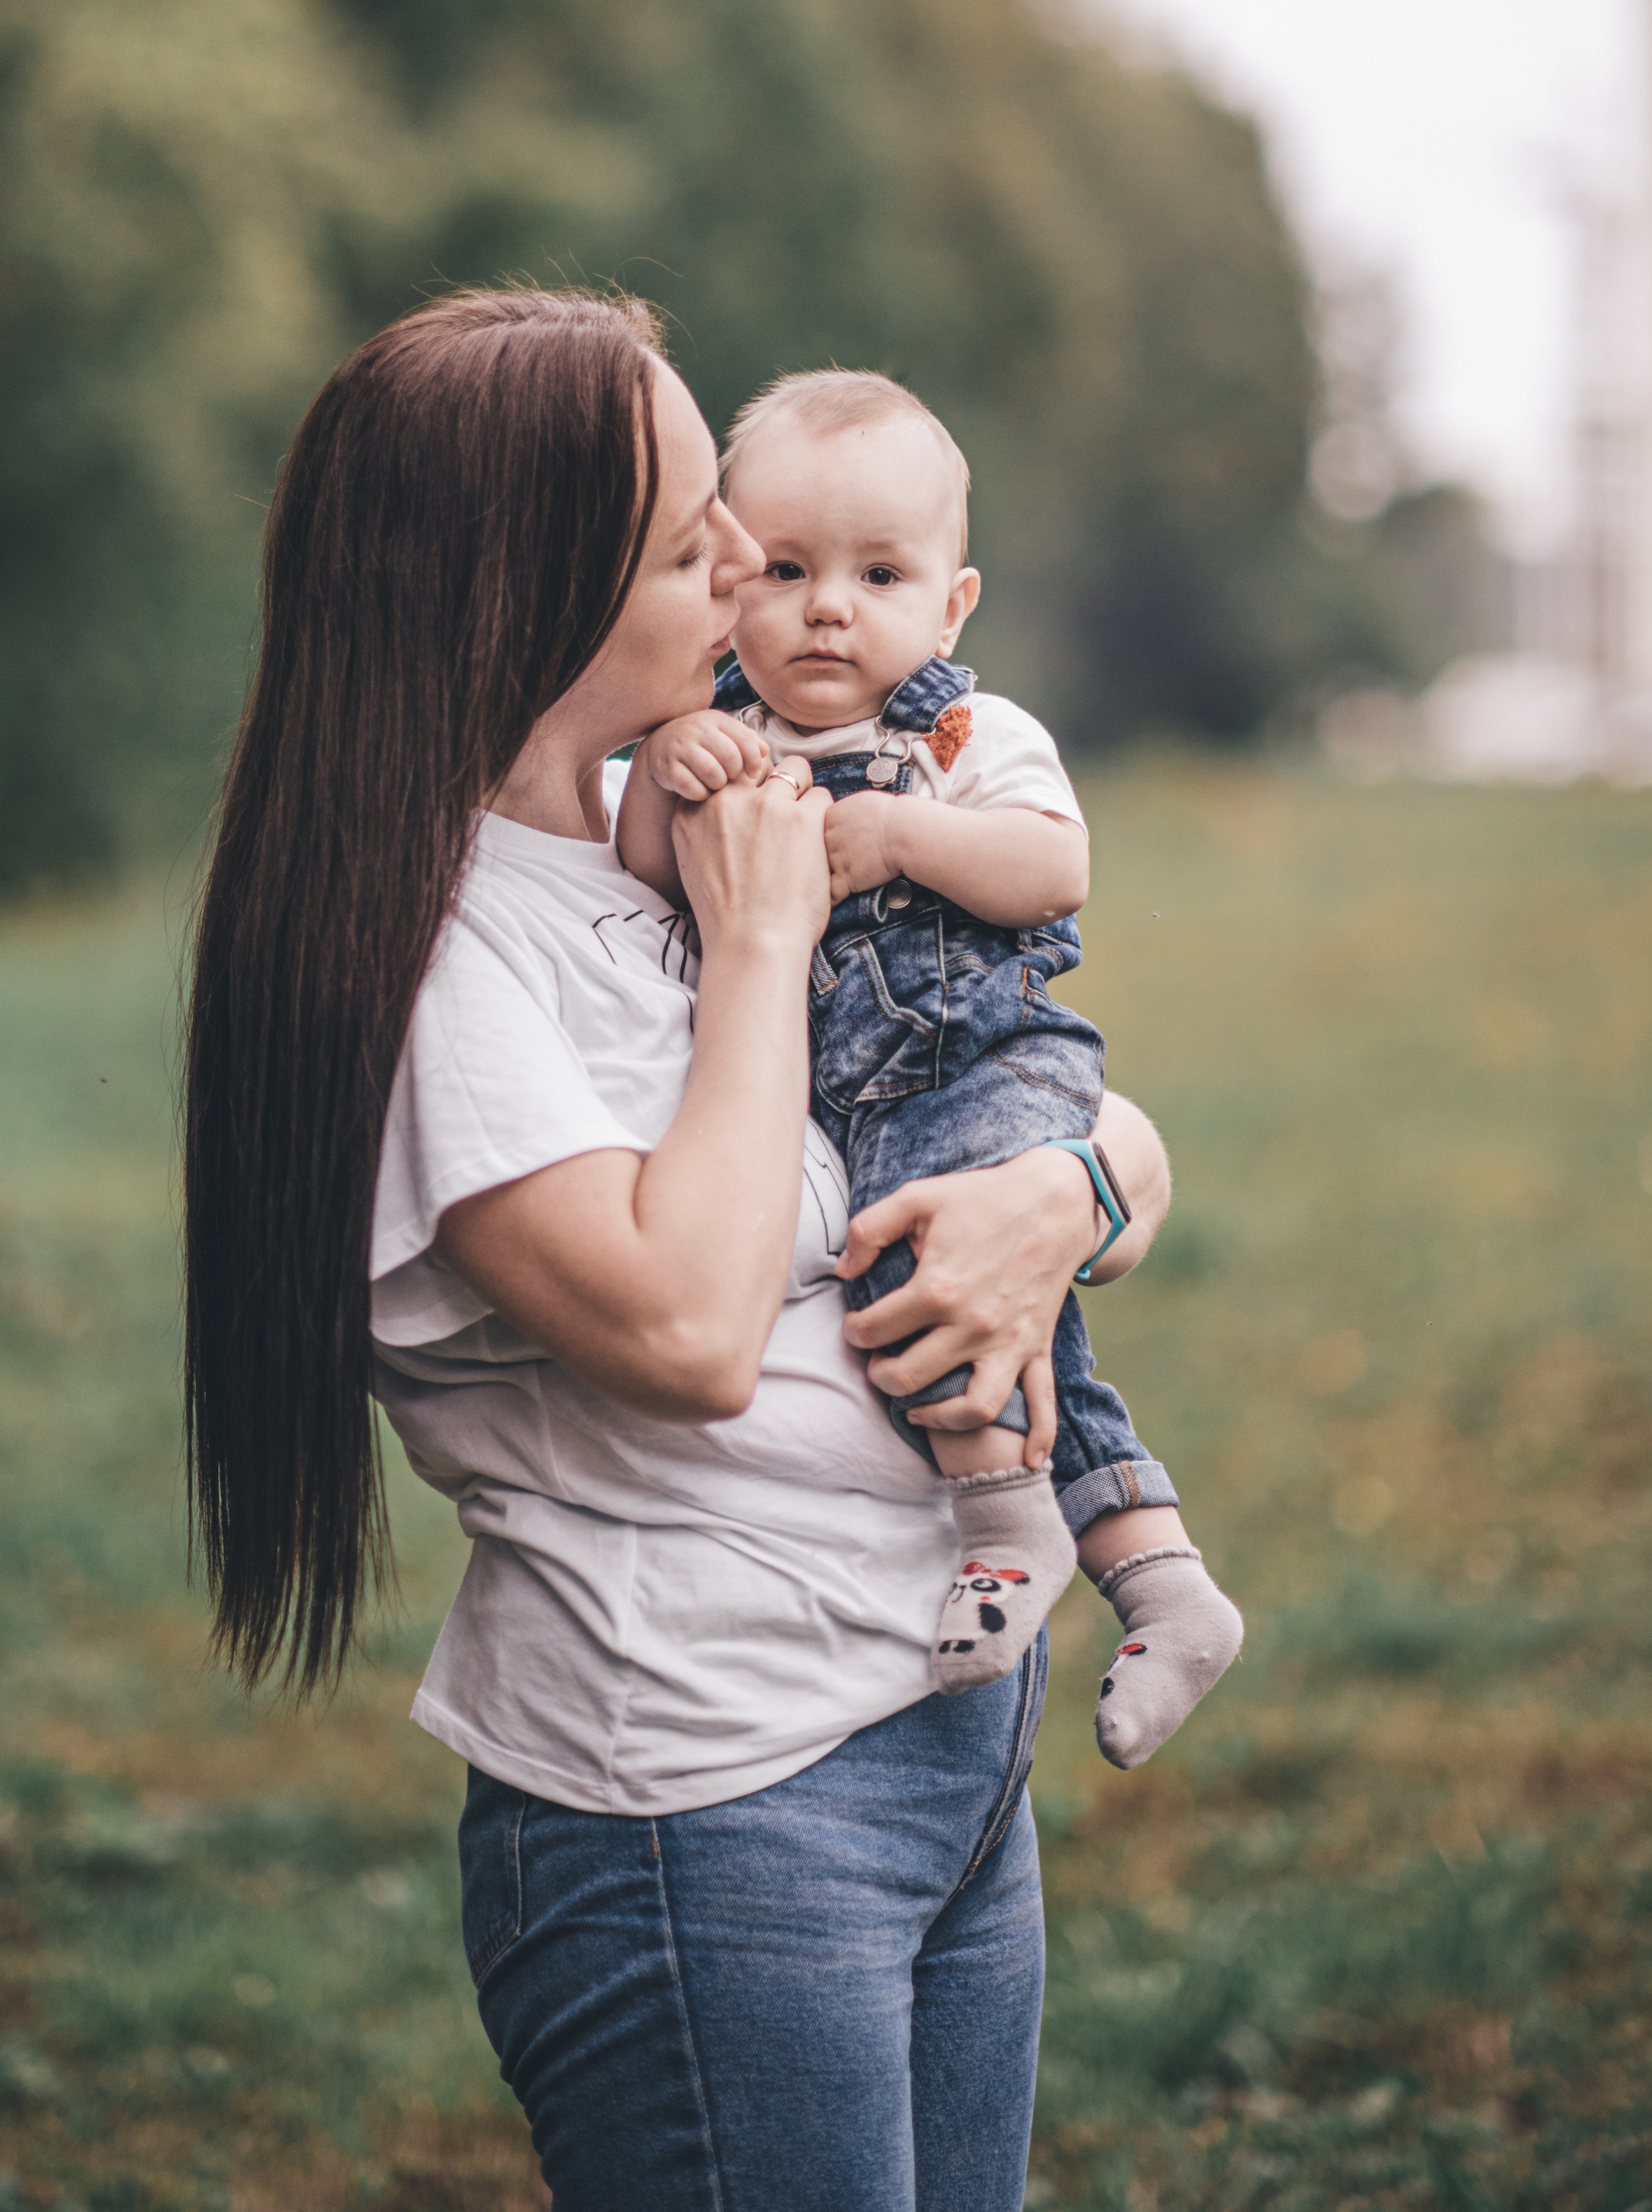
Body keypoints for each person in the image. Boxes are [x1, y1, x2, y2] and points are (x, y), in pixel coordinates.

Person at [183, 289, 1174, 2212]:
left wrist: (1073, 1197)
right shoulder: (442, 958)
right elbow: (693, 1323)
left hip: (947, 1738)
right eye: (687, 538)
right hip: (713, 1804)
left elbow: (1059, 1111)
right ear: (522, 600)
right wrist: (760, 945)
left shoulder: (677, 822)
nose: (747, 566)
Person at [619, 371, 1243, 1761]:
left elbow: (1052, 867)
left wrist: (903, 838)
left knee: (928, 1261)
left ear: (950, 604)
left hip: (982, 1064)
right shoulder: (722, 732)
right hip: (836, 1098)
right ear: (728, 580)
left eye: (877, 573)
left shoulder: (964, 736)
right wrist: (670, 767)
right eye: (784, 568)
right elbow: (644, 876)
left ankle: (1002, 1528)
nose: (827, 606)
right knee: (1019, 1324)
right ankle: (1160, 1581)